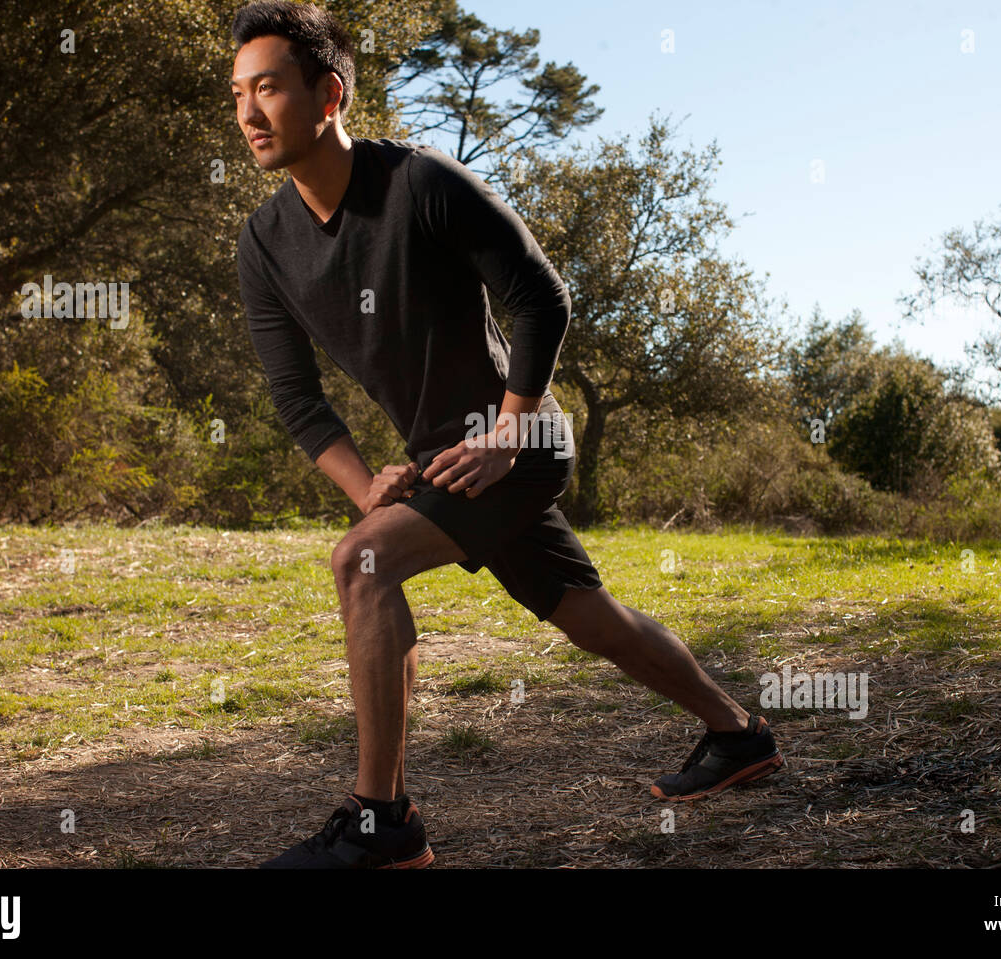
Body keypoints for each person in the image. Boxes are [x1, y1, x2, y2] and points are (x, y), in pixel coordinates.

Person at [230, 0, 783, 869]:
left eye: (268, 88)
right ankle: (739, 733)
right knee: (591, 618)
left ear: (329, 93)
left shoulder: (422, 184)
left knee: (362, 563)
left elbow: (542, 297)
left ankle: (384, 822)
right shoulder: (265, 244)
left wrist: (507, 433)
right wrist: (363, 485)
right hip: (442, 461)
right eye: (238, 95)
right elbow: (297, 398)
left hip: (516, 444)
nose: (250, 113)